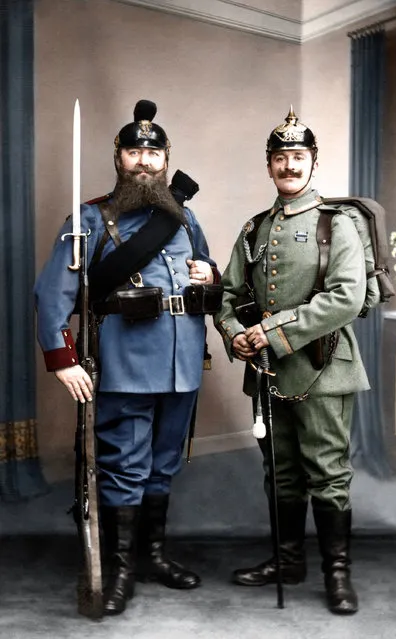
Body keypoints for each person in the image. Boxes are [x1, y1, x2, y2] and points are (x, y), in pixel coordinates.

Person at [34, 99, 220, 616]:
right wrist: (63, 358)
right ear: (118, 157)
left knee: (163, 466)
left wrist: (212, 276)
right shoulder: (90, 218)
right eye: (134, 151)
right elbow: (52, 296)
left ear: (166, 159)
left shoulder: (185, 217)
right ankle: (118, 572)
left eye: (153, 153)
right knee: (124, 469)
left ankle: (152, 557)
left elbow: (204, 271)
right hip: (125, 365)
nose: (144, 161)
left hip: (182, 365)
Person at [214, 107, 372, 615]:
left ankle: (337, 574)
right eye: (280, 158)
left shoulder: (337, 223)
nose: (289, 166)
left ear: (313, 162)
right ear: (268, 166)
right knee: (279, 473)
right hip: (266, 373)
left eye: (298, 156)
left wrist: (271, 332)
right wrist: (236, 334)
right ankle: (287, 563)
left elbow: (347, 297)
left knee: (327, 472)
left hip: (323, 370)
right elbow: (228, 293)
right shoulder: (254, 228)